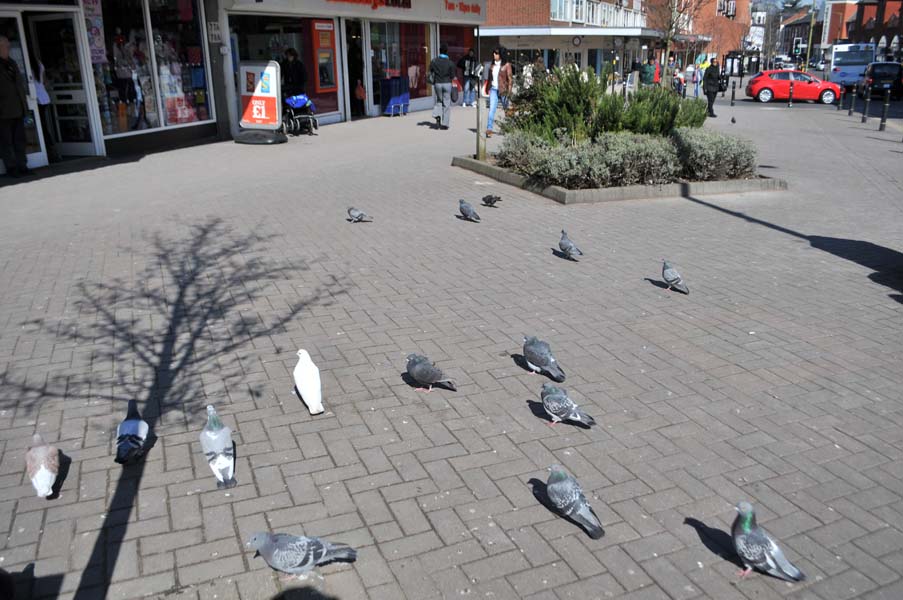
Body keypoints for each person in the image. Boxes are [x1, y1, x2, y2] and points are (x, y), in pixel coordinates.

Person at [0, 35, 31, 178]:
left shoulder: (12, 63)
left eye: (8, 46)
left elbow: (19, 85)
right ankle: (11, 167)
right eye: (6, 46)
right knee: (7, 142)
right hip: (3, 111)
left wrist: (25, 107)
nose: (8, 48)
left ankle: (22, 165)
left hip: (18, 109)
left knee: (20, 140)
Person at [481, 47, 512, 138]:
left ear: (501, 55)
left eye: (496, 53)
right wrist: (488, 88)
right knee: (491, 110)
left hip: (503, 90)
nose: (494, 55)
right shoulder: (492, 65)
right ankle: (489, 129)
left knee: (507, 110)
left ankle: (509, 128)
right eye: (494, 53)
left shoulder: (506, 65)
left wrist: (509, 92)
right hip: (494, 90)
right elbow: (489, 78)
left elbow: (510, 79)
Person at [428, 43, 455, 130]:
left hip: (437, 83)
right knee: (446, 103)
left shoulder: (434, 61)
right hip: (447, 83)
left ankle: (437, 115)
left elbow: (430, 70)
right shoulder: (450, 63)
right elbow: (452, 75)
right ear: (447, 52)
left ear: (439, 51)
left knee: (439, 100)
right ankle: (445, 124)